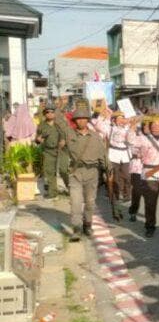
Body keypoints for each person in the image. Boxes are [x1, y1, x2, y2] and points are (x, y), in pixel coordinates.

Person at [54, 98, 108, 240]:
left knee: (90, 203)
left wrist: (108, 171)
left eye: (84, 119)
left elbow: (103, 156)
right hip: (76, 173)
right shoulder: (69, 133)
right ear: (75, 120)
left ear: (88, 120)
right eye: (78, 119)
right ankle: (76, 230)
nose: (81, 121)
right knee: (76, 204)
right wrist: (60, 106)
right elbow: (59, 121)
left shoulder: (96, 137)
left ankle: (87, 225)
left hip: (92, 173)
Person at [35, 102, 69, 198]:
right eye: (47, 112)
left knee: (63, 170)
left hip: (62, 150)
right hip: (48, 151)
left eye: (51, 112)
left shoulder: (61, 123)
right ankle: (52, 192)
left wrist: (64, 140)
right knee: (49, 171)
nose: (49, 114)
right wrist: (38, 140)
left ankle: (71, 188)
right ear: (45, 114)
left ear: (55, 113)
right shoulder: (41, 125)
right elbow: (37, 138)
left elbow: (68, 134)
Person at [107, 111, 134, 207]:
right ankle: (117, 195)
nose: (121, 121)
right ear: (114, 120)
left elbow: (131, 141)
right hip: (114, 155)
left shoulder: (128, 128)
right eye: (119, 119)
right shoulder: (110, 128)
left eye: (122, 118)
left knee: (127, 176)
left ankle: (127, 196)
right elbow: (115, 136)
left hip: (125, 154)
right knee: (116, 177)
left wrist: (131, 127)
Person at [128, 120, 147, 222]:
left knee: (150, 193)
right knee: (137, 191)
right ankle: (133, 211)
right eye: (147, 126)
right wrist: (132, 125)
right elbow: (130, 139)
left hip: (151, 169)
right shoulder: (137, 137)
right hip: (137, 167)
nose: (149, 128)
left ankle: (149, 214)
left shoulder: (157, 139)